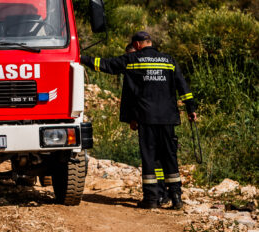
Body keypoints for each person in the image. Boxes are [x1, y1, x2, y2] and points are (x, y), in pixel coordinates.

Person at [81, 31, 196, 209]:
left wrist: (82, 58)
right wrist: (191, 108)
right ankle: (176, 197)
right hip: (167, 118)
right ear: (149, 42)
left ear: (136, 45)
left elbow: (106, 65)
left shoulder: (133, 59)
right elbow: (183, 86)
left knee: (150, 157)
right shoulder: (169, 60)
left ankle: (151, 199)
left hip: (147, 117)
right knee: (169, 156)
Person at [121, 42, 168, 205]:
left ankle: (154, 196)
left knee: (153, 158)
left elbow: (133, 97)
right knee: (156, 159)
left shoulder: (140, 71)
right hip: (160, 118)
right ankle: (160, 194)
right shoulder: (140, 70)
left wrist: (133, 118)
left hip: (151, 120)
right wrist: (132, 119)